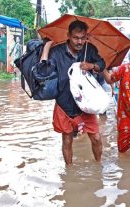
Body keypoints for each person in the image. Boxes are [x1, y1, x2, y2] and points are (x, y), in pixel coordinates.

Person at [40, 20, 105, 165]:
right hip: (64, 103)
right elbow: (44, 71)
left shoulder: (90, 49)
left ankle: (98, 165)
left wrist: (91, 65)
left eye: (83, 38)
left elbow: (102, 64)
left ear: (86, 37)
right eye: (76, 37)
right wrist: (46, 48)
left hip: (86, 104)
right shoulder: (57, 52)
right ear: (68, 35)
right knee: (67, 139)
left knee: (96, 137)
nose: (79, 41)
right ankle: (69, 170)